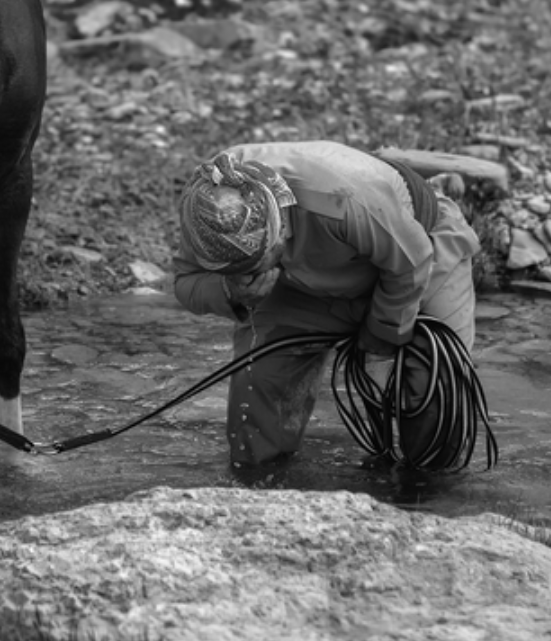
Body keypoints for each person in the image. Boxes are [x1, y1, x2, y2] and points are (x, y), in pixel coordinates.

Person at [172, 140, 494, 470]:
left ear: (279, 227)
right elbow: (184, 282)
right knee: (257, 386)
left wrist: (380, 336)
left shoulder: (343, 198)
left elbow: (410, 263)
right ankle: (259, 480)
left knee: (433, 388)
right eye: (235, 269)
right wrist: (231, 291)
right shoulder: (208, 204)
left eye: (254, 265)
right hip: (298, 282)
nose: (248, 275)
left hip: (420, 249)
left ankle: (431, 494)